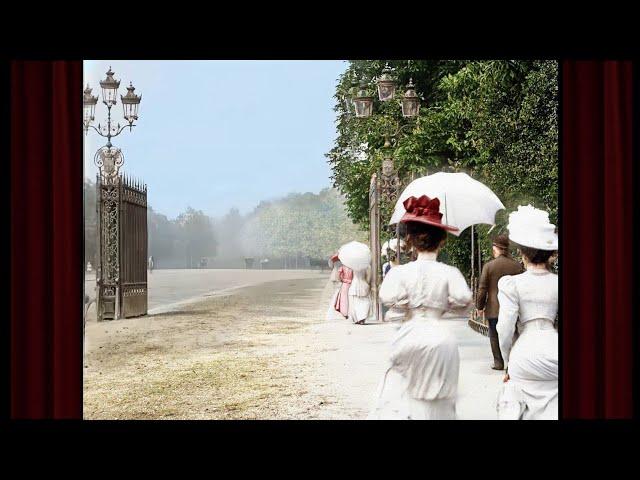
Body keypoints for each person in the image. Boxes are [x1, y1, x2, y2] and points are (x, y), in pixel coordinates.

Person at [368, 195, 473, 420]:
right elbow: (464, 300)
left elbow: (387, 297)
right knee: (441, 401)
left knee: (405, 395)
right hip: (441, 337)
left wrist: (408, 303)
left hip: (410, 334)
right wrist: (445, 305)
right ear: (442, 240)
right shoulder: (449, 273)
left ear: (410, 241)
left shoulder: (399, 273)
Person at [496, 205, 558, 420]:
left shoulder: (512, 284)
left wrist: (507, 362)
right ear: (551, 253)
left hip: (525, 352)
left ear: (522, 252)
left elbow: (504, 328)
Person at [476, 234, 523, 370]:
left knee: (494, 334)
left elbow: (482, 288)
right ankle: (512, 363)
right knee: (513, 334)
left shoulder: (489, 266)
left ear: (496, 248)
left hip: (493, 308)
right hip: (512, 307)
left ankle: (498, 362)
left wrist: (479, 306)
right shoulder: (516, 266)